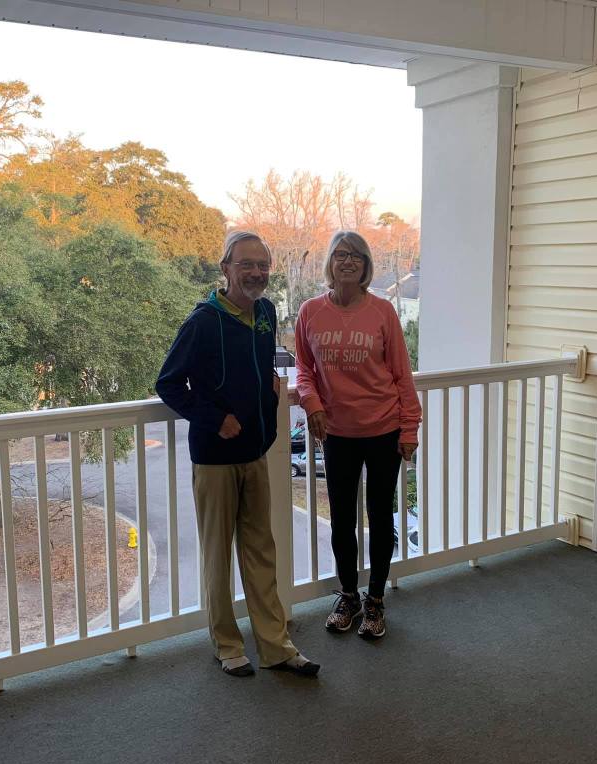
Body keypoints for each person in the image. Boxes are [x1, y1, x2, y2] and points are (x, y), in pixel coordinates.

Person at [156, 230, 320, 678]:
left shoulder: (265, 312)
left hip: (256, 450)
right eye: (246, 264)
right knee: (217, 556)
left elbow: (262, 364)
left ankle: (276, 646)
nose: (256, 273)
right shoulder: (203, 322)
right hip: (214, 457)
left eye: (262, 265)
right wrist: (214, 419)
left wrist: (271, 392)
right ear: (225, 269)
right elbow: (168, 384)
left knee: (261, 551)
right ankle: (227, 646)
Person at [294, 230, 421, 639]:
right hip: (337, 433)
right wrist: (312, 403)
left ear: (366, 266)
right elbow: (304, 369)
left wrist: (409, 427)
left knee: (381, 519)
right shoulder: (310, 311)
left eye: (357, 256)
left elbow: (402, 374)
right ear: (330, 262)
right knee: (342, 521)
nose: (348, 261)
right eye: (341, 254)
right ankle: (348, 595)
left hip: (383, 429)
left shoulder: (382, 312)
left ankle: (376, 600)